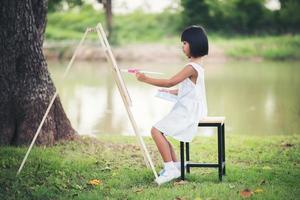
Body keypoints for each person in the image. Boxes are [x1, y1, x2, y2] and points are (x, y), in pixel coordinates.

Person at [135, 25, 208, 185]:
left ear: (194, 44)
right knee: (160, 131)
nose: (182, 47)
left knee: (156, 131)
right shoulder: (198, 67)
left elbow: (169, 82)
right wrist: (169, 92)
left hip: (188, 112)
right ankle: (174, 166)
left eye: (184, 43)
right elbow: (189, 91)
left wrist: (145, 79)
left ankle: (170, 169)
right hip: (190, 109)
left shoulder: (190, 67)